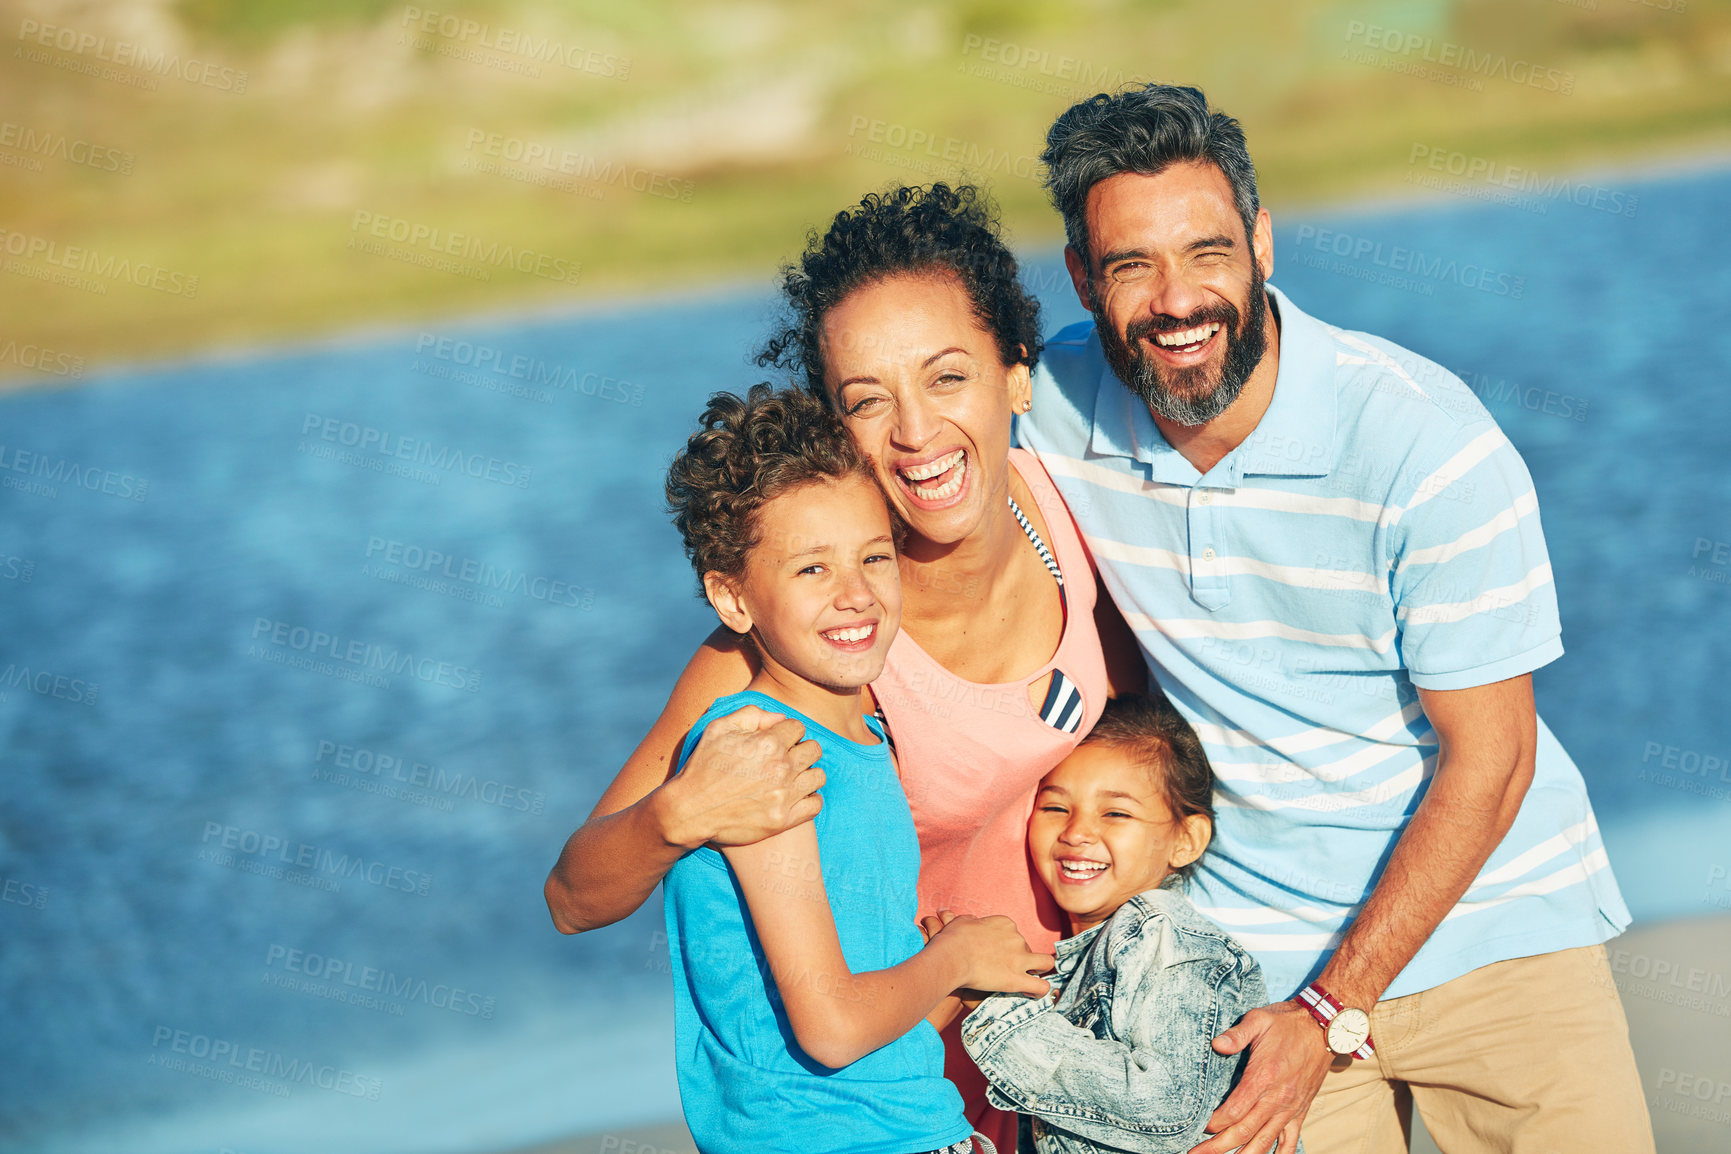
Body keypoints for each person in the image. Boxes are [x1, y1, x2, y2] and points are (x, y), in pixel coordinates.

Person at [1018, 83, 1652, 1154]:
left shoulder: (1423, 444)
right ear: (1083, 279)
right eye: (1132, 265)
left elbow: (1489, 761)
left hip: (1494, 932)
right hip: (1249, 979)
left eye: (1208, 250)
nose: (1178, 300)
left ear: (1263, 240)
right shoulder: (1049, 401)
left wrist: (1336, 1004)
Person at [544, 184, 1146, 1153]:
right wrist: (677, 814)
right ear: (835, 425)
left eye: (947, 376)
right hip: (891, 1093)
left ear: (1014, 375)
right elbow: (577, 894)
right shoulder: (796, 655)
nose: (914, 430)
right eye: (868, 399)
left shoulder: (1087, 526)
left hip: (1064, 1060)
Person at [657, 382, 1051, 1153]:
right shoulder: (765, 756)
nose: (856, 595)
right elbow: (831, 1028)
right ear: (732, 600)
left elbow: (846, 995)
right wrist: (951, 959)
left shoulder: (861, 735)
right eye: (811, 571)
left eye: (874, 557)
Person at [958, 693, 1276, 1154]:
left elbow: (1165, 1110)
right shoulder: (1092, 947)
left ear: (1186, 840)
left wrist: (999, 1014)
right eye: (1055, 808)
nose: (1076, 832)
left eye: (1116, 813)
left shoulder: (1161, 934)